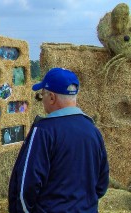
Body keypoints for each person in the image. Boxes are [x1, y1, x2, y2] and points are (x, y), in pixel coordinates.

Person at [8, 67, 109, 213]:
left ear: (52, 97)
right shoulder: (93, 131)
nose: (42, 100)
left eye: (42, 95)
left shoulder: (44, 131)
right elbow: (101, 185)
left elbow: (26, 188)